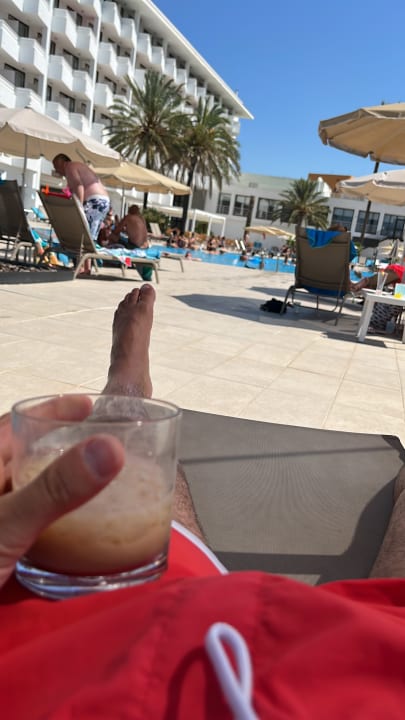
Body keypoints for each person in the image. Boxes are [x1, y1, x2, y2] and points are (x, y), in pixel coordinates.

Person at [3, 286, 405, 717]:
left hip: (59, 626)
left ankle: (126, 393)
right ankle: (126, 395)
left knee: (129, 468)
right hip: (350, 668)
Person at [52, 154, 111, 275]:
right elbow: (72, 190)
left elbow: (79, 187)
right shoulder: (75, 168)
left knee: (83, 233)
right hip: (102, 201)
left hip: (95, 201)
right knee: (88, 235)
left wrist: (79, 206)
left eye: (56, 166)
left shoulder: (70, 167)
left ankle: (84, 267)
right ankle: (86, 267)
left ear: (63, 163)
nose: (57, 170)